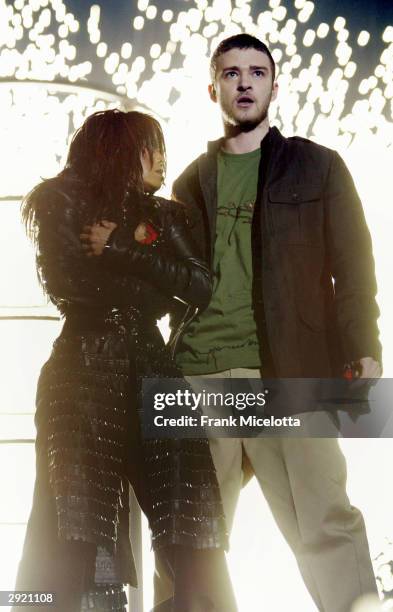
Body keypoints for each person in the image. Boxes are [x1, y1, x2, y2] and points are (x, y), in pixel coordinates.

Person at [169, 34, 382, 612]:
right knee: (192, 538)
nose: (244, 83)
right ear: (212, 87)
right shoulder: (189, 181)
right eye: (232, 73)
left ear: (273, 86)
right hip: (199, 375)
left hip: (288, 368)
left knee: (323, 518)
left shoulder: (319, 167)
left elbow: (353, 266)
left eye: (256, 72)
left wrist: (364, 345)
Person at [14, 109, 236, 612]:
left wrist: (119, 249)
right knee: (73, 529)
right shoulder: (60, 200)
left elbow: (199, 286)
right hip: (83, 371)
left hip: (156, 370)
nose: (161, 158)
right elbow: (73, 289)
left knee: (194, 523)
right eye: (148, 147)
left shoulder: (164, 215)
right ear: (116, 150)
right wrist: (152, 276)